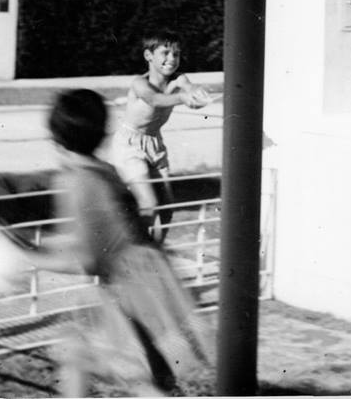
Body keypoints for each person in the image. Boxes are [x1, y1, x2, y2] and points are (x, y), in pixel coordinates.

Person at [24, 89, 212, 397]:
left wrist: (28, 256)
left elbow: (87, 257)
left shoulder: (75, 181)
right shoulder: (105, 171)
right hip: (150, 278)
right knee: (82, 353)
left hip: (128, 286)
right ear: (102, 133)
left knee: (133, 376)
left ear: (54, 139)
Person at [113, 31, 209, 241]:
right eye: (165, 53)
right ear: (148, 56)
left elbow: (188, 86)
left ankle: (155, 253)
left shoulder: (178, 80)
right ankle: (138, 255)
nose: (172, 59)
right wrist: (183, 98)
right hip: (128, 144)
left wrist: (196, 92)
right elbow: (155, 99)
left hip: (154, 143)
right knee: (148, 204)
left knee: (166, 208)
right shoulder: (139, 82)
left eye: (176, 54)